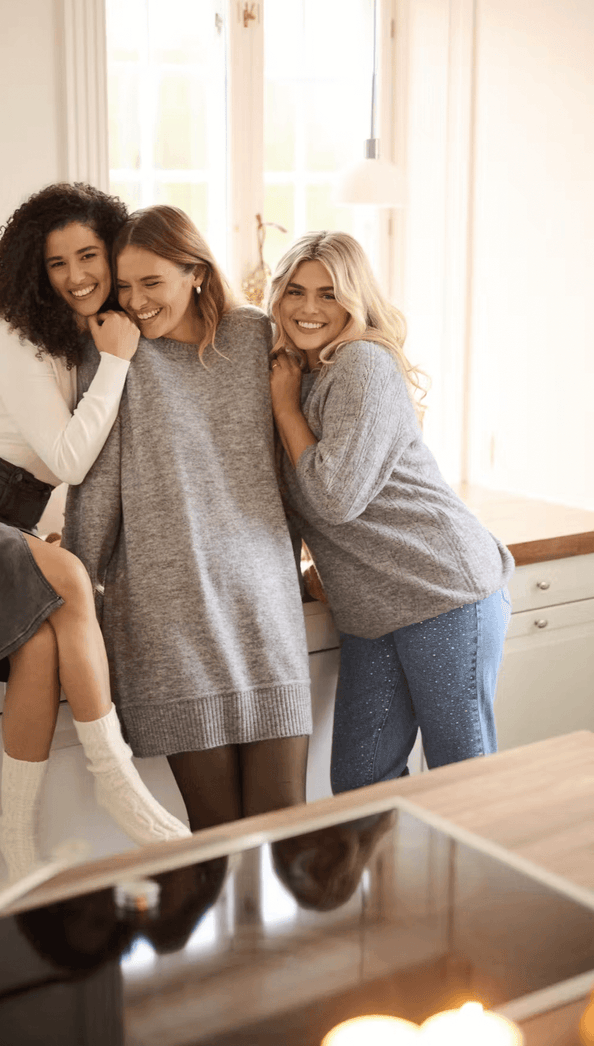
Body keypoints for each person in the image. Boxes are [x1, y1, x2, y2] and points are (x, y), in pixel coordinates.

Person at [0, 183, 190, 880]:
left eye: (89, 256)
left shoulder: (99, 334)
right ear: (33, 271)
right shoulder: (17, 333)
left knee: (42, 642)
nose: (77, 275)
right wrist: (116, 362)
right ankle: (120, 786)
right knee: (71, 577)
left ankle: (15, 843)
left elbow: (59, 463)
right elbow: (67, 458)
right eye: (57, 263)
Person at [63, 205, 312, 831]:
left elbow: (291, 457)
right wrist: (74, 585)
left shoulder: (256, 336)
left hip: (263, 605)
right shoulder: (117, 356)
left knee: (283, 821)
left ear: (195, 272)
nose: (136, 302)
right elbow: (96, 486)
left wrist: (314, 556)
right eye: (124, 286)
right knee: (216, 834)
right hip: (168, 615)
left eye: (153, 283)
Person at [266, 231, 514, 793]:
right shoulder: (296, 372)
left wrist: (283, 406)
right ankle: (392, 885)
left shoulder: (361, 364)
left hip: (441, 591)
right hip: (371, 610)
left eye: (328, 294)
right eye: (295, 291)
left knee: (460, 776)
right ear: (277, 297)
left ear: (354, 299)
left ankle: (475, 885)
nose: (308, 309)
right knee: (361, 783)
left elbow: (334, 496)